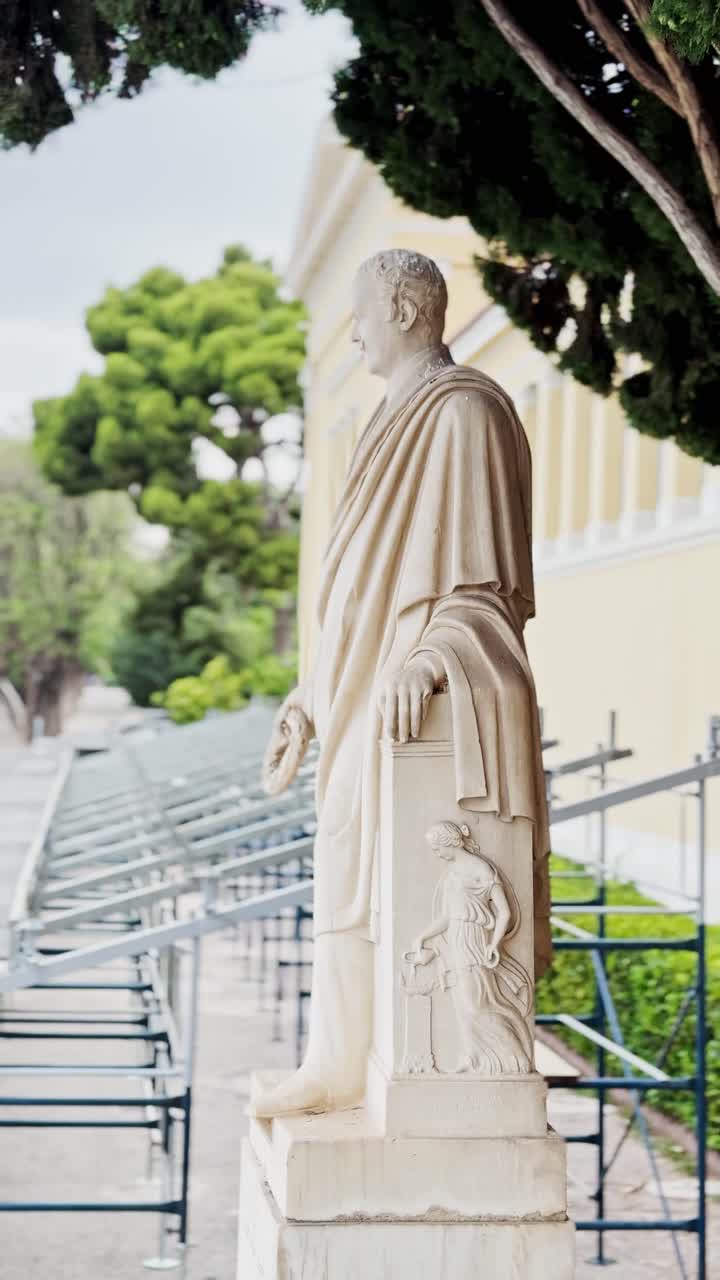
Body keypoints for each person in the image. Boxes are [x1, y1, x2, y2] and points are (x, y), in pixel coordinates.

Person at [251, 249, 550, 1119]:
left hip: (407, 689)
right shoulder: (388, 416)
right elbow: (360, 590)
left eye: (361, 314)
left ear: (404, 308)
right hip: (354, 694)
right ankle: (337, 1062)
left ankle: (359, 1066)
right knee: (342, 857)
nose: (351, 332)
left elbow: (483, 589)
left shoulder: (465, 415)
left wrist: (432, 655)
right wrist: (314, 689)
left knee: (365, 862)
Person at [404, 821, 533, 1075]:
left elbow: (504, 913)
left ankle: (514, 1057)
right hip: (455, 938)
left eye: (437, 848)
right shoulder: (451, 871)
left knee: (476, 1005)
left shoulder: (481, 869)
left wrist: (494, 944)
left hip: (474, 941)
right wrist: (422, 936)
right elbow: (446, 916)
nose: (436, 854)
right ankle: (473, 1058)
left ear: (449, 842)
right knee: (462, 1005)